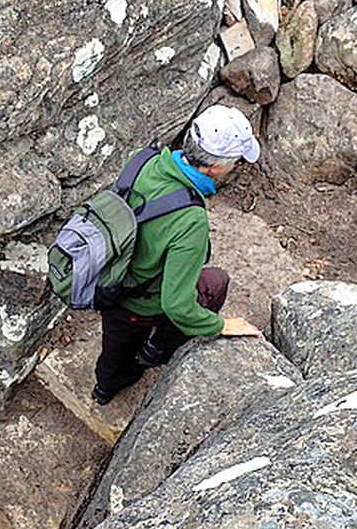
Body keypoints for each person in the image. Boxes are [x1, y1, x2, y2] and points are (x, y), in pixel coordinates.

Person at [92, 104, 262, 405]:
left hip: (108, 279)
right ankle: (156, 350)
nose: (236, 167)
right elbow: (177, 304)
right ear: (214, 167)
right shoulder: (190, 221)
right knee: (215, 283)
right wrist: (222, 326)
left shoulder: (143, 160)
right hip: (140, 304)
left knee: (113, 350)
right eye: (235, 161)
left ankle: (104, 389)